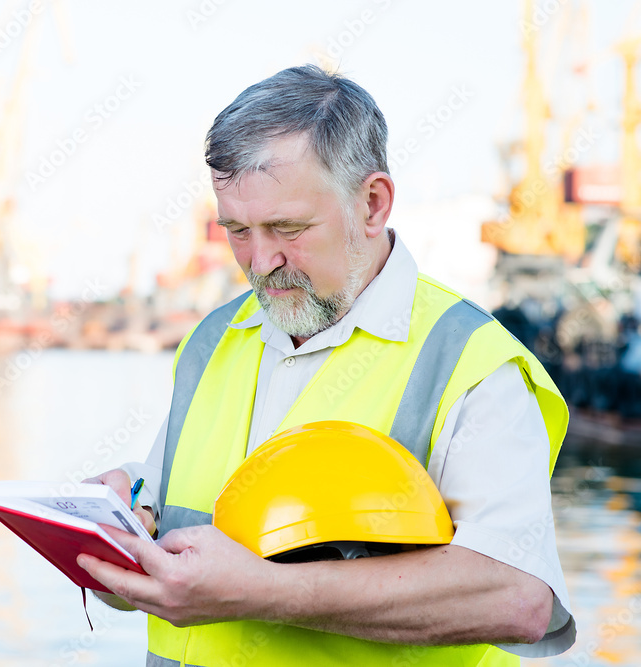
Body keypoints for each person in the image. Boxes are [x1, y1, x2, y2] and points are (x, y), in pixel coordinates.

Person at [78, 64, 575, 666]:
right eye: (237, 230)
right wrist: (123, 527)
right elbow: (174, 522)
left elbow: (516, 598)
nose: (260, 261)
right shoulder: (212, 340)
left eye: (287, 228)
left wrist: (263, 592)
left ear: (372, 203)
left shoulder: (471, 363)